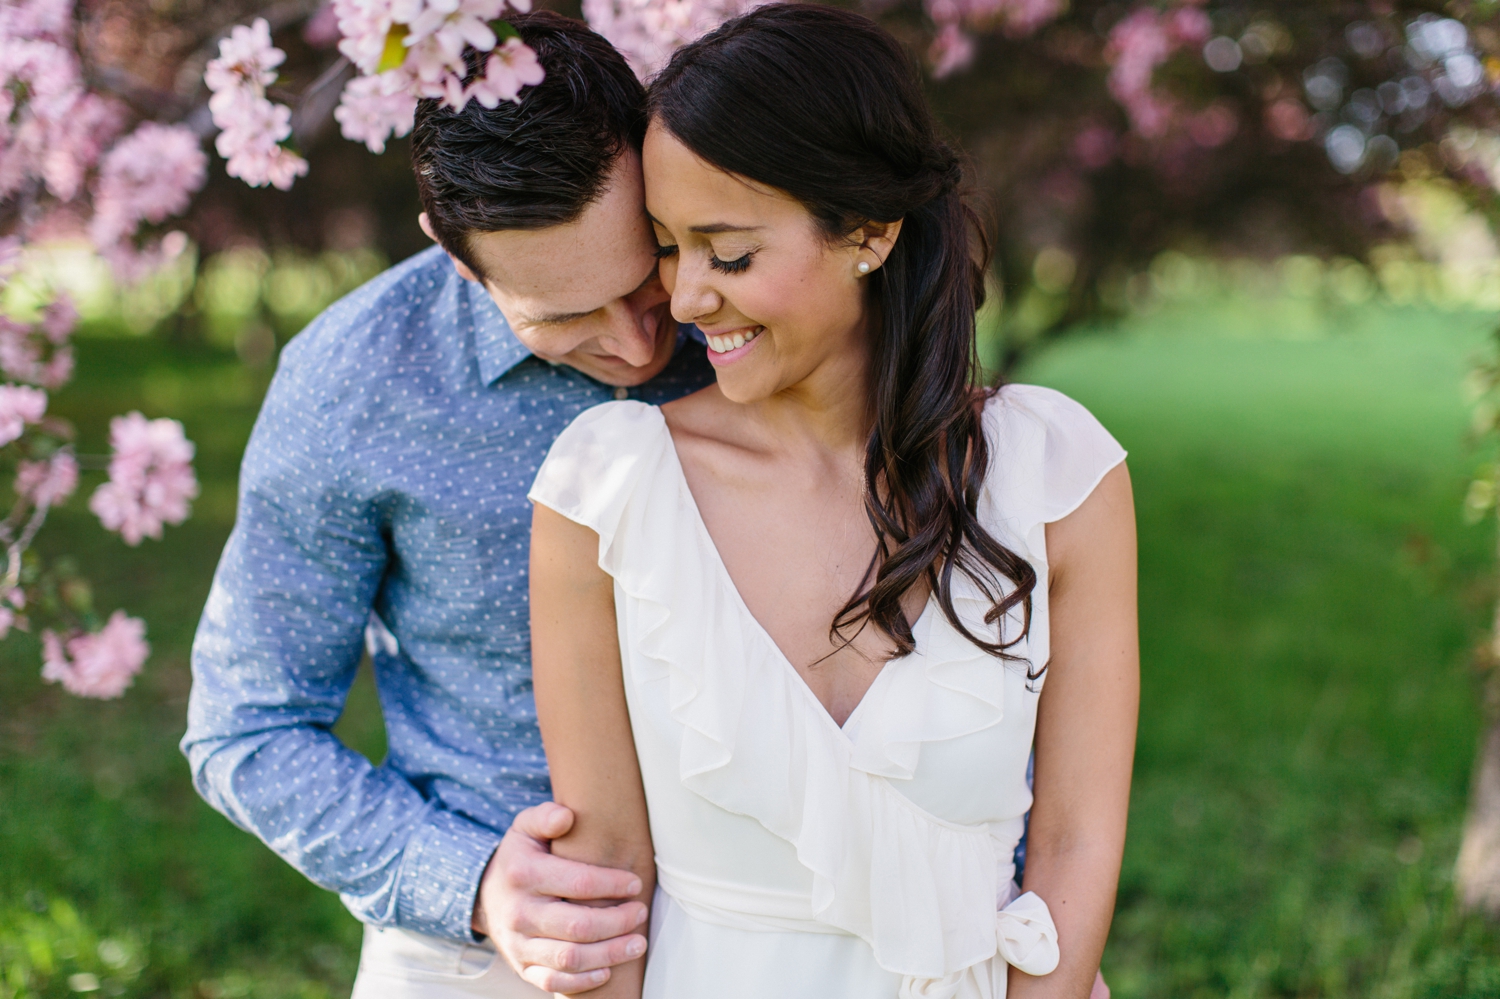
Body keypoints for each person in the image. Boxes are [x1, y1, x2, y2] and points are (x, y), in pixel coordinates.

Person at [527, 6, 1139, 998]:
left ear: (868, 231)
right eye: (668, 248)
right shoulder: (606, 489)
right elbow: (606, 888)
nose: (683, 301)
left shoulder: (1058, 473)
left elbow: (1075, 842)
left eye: (726, 252)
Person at [181, 13, 714, 997]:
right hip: (488, 956)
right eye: (565, 317)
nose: (640, 350)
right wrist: (475, 886)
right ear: (457, 256)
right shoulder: (352, 386)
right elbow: (245, 728)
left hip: (787, 929)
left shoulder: (765, 317)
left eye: (648, 283)